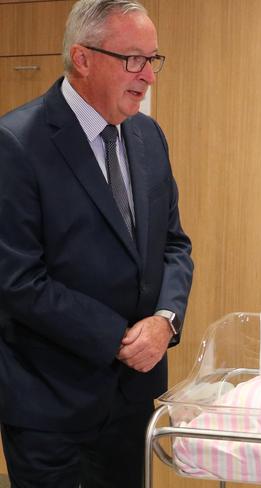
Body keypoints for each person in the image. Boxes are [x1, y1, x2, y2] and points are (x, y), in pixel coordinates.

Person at [0, 1, 193, 486]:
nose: (148, 75)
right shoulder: (16, 143)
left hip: (132, 401)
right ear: (81, 58)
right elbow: (18, 280)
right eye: (133, 59)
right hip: (50, 407)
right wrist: (119, 338)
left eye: (153, 60)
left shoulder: (148, 136)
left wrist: (165, 322)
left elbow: (174, 244)